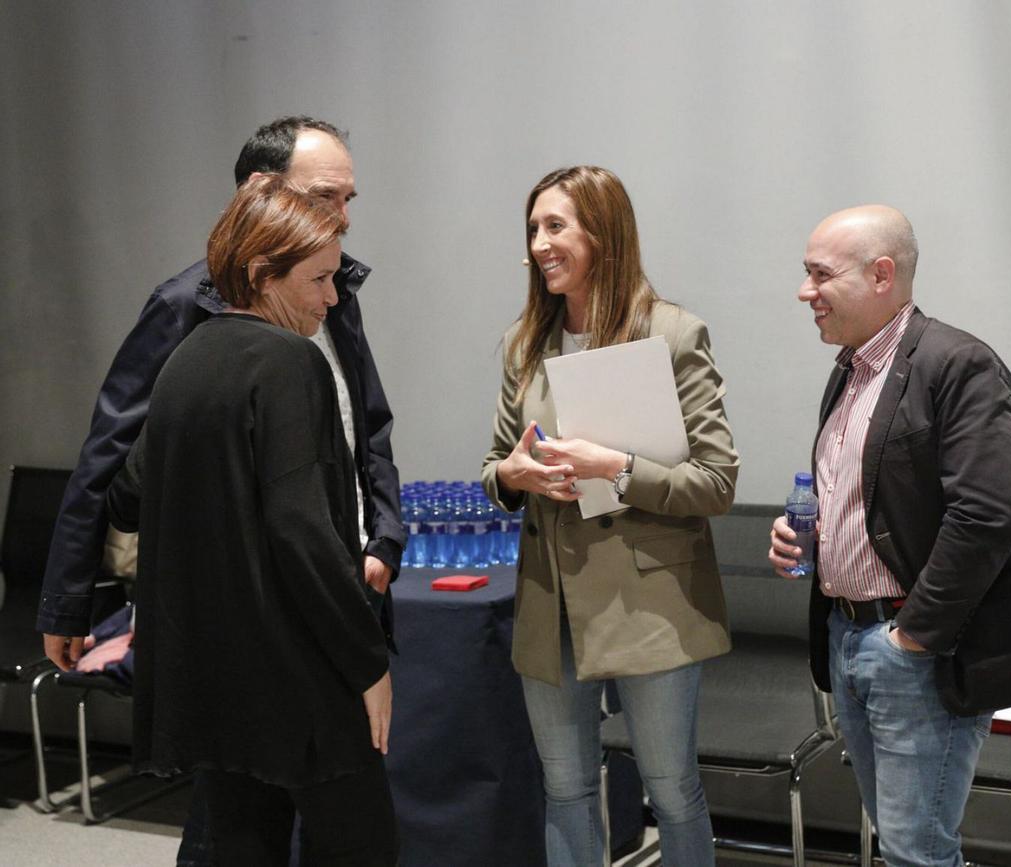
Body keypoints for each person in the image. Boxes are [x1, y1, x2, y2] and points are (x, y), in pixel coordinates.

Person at [36, 115, 404, 866]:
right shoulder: (191, 312)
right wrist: (69, 601)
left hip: (316, 595)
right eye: (325, 196)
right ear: (261, 199)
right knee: (266, 828)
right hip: (271, 624)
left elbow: (365, 427)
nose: (341, 216)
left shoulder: (325, 292)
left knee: (249, 828)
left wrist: (384, 534)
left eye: (347, 199)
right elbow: (113, 464)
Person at [768, 205, 1011, 867]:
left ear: (881, 274)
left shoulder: (959, 366)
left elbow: (987, 515)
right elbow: (878, 498)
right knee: (910, 848)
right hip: (851, 639)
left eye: (819, 274)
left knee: (917, 853)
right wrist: (809, 536)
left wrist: (912, 638)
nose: (803, 291)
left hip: (914, 649)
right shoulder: (850, 369)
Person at [481, 165, 739, 867]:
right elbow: (495, 465)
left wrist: (615, 467)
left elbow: (716, 482)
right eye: (533, 229)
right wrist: (513, 474)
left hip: (651, 598)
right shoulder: (523, 341)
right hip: (552, 598)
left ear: (604, 232)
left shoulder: (674, 333)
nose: (539, 244)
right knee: (564, 786)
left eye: (555, 226)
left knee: (671, 788)